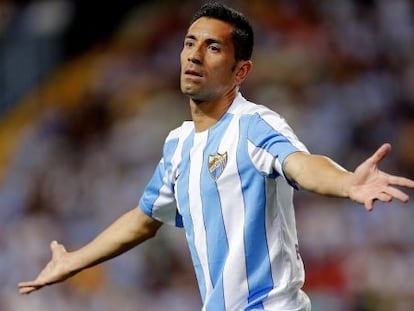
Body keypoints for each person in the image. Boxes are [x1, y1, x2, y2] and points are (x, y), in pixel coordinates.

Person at [18, 2, 414, 310]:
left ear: (241, 71)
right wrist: (74, 261)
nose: (193, 56)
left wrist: (347, 182)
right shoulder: (178, 145)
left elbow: (301, 165)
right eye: (189, 43)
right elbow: (143, 220)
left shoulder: (255, 124)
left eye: (212, 48)